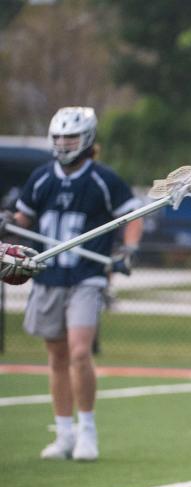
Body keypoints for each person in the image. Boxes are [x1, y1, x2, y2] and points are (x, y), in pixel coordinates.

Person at [10, 106, 141, 461]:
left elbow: (131, 216)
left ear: (87, 140)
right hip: (48, 275)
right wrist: (10, 225)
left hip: (87, 275)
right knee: (56, 356)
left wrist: (128, 249)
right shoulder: (41, 178)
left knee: (80, 352)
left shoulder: (103, 179)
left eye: (70, 137)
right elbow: (23, 218)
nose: (64, 143)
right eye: (59, 138)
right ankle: (64, 433)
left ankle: (87, 432)